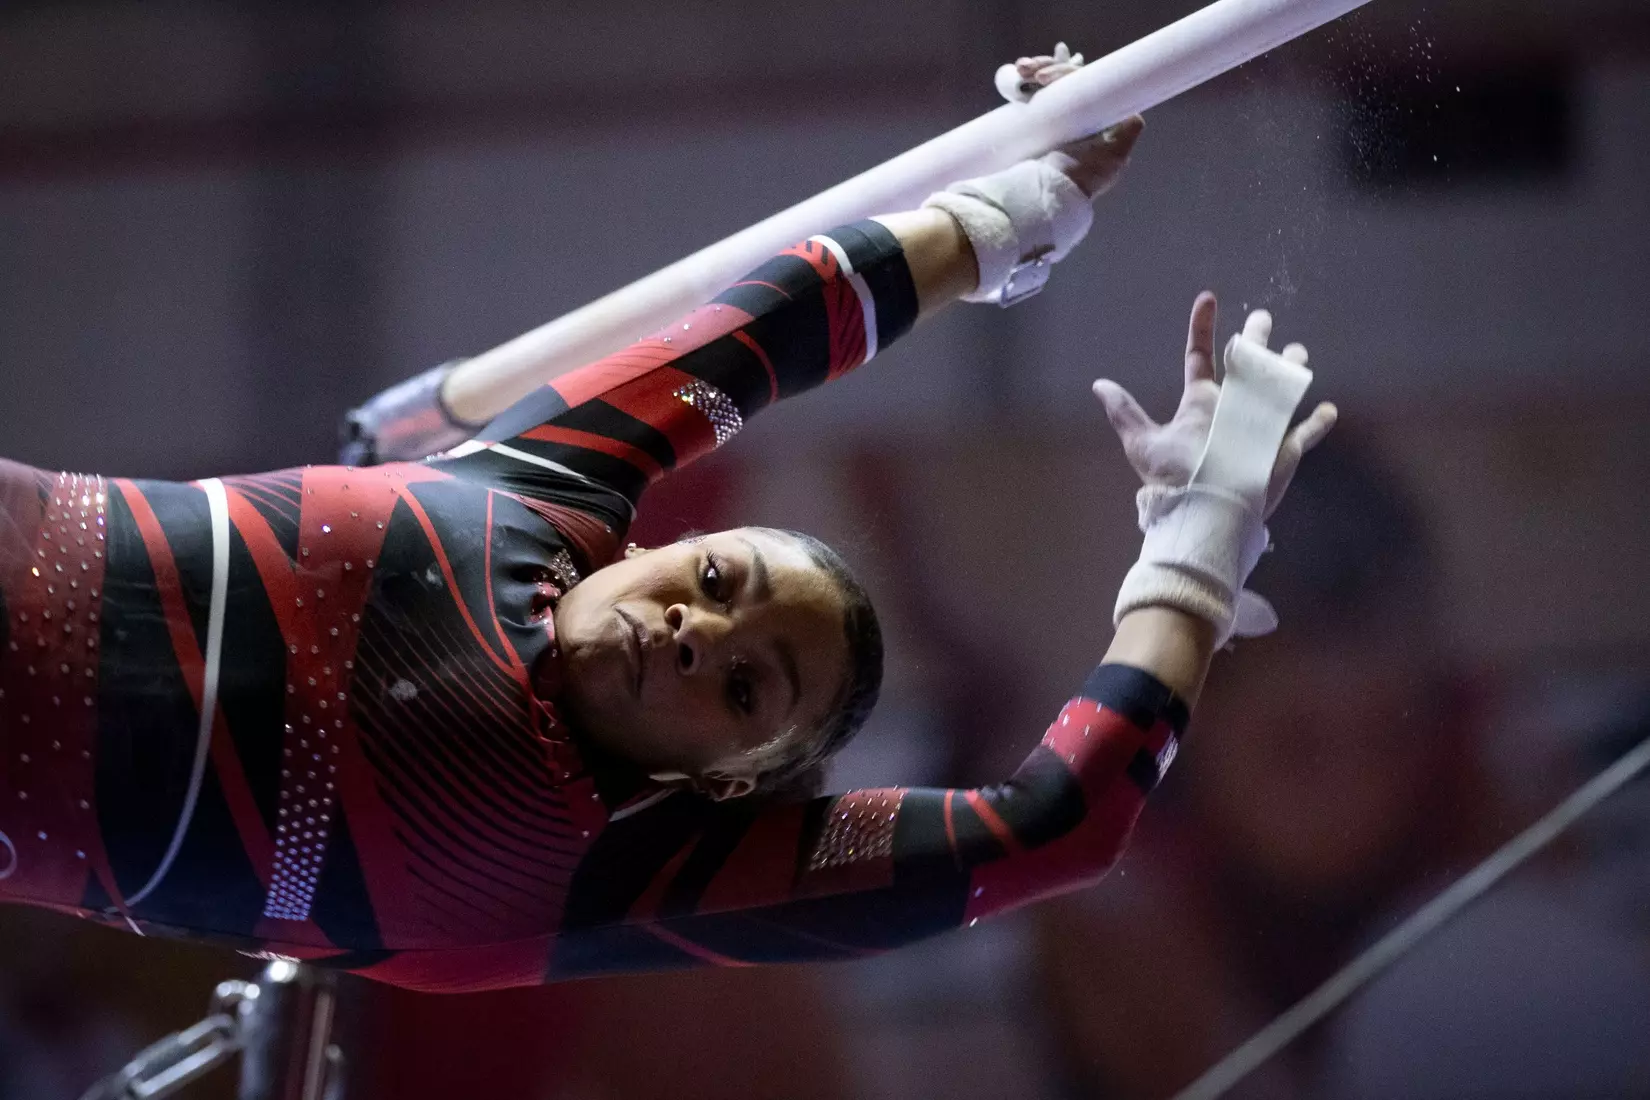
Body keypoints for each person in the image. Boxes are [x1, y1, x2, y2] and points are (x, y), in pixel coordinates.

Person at [0, 55, 1335, 993]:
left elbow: (1053, 829)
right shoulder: (540, 488)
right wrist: (1029, 200)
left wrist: (1199, 535)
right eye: (715, 579)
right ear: (649, 542)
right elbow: (769, 327)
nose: (699, 635)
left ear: (733, 781)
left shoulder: (630, 875)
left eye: (748, 684)